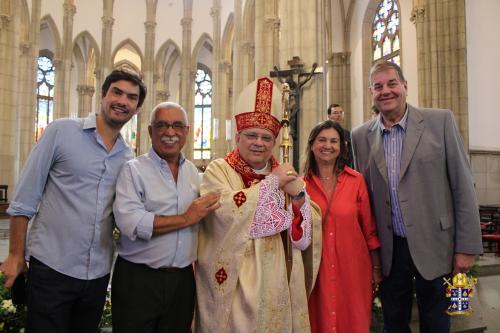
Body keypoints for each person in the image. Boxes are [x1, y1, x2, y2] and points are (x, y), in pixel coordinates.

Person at [0, 69, 147, 333]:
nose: (122, 101)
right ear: (103, 95)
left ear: (137, 109)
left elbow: (121, 214)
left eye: (131, 97)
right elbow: (24, 199)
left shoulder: (127, 158)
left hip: (97, 275)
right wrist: (14, 255)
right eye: (117, 92)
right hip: (52, 269)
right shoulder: (61, 132)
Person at [351, 60, 483, 333]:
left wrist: (466, 247)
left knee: (437, 322)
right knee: (394, 322)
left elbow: (463, 185)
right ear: (371, 93)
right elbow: (361, 196)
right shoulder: (360, 136)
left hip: (437, 244)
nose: (385, 91)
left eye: (391, 83)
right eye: (378, 87)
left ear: (405, 86)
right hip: (390, 250)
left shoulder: (440, 121)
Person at [195, 77, 322, 333]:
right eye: (251, 135)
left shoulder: (284, 173)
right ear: (238, 136)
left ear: (274, 142)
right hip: (237, 284)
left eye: (266, 138)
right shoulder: (219, 170)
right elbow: (226, 215)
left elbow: (304, 237)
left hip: (280, 284)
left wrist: (299, 198)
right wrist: (272, 183)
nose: (259, 143)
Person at [111, 102, 221, 333]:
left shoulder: (194, 172)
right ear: (150, 131)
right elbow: (131, 223)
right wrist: (186, 218)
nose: (170, 132)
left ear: (187, 131)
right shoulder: (133, 170)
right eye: (162, 125)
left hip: (182, 281)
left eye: (177, 125)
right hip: (139, 280)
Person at [304, 120, 382, 333]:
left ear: (341, 147)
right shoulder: (301, 185)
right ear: (312, 145)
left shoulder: (356, 181)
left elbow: (370, 229)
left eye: (333, 141)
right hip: (315, 269)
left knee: (353, 320)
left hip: (353, 268)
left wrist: (376, 269)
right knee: (317, 320)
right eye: (321, 140)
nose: (327, 145)